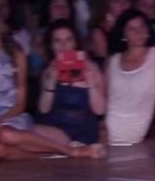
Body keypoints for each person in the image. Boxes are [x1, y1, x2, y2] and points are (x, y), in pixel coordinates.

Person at [0, 9, 99, 160]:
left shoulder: (16, 54)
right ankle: (50, 153)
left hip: (11, 117)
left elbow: (20, 104)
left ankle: (70, 151)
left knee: (6, 134)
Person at [105, 9, 155, 145]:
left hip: (133, 129)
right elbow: (105, 97)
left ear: (148, 29)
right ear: (123, 34)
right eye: (132, 29)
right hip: (106, 126)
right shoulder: (113, 60)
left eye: (142, 27)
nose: (138, 32)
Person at [36, 19, 106, 152]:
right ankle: (68, 149)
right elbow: (43, 109)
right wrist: (51, 82)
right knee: (26, 130)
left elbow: (100, 111)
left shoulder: (91, 67)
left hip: (84, 131)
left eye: (68, 40)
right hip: (55, 132)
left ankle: (73, 148)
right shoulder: (48, 70)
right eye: (57, 41)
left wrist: (90, 81)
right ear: (51, 45)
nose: (63, 45)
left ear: (75, 43)